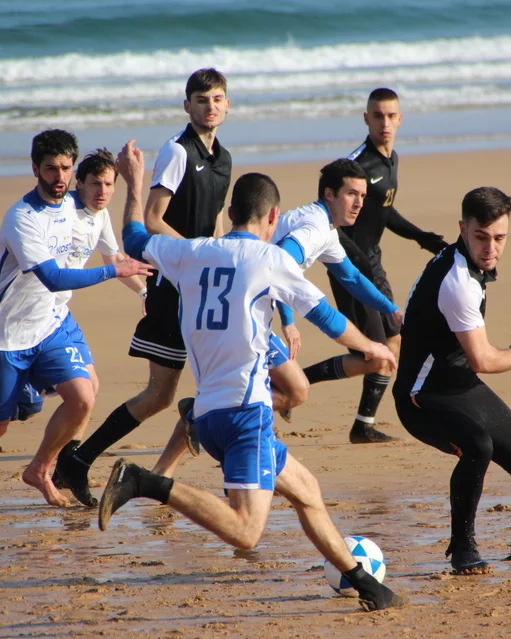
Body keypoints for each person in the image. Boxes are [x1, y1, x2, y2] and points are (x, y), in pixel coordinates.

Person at [98, 140, 403, 611]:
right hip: (245, 412)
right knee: (245, 531)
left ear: (230, 212)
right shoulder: (271, 259)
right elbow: (327, 317)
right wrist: (372, 346)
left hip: (211, 410)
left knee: (307, 492)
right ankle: (142, 481)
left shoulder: (192, 252)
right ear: (273, 216)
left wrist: (135, 187)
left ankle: (368, 586)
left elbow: (135, 239)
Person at [0, 131, 152, 526]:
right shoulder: (22, 217)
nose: (60, 176)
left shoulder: (77, 205)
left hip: (51, 324)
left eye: (66, 168)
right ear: (35, 168)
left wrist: (142, 288)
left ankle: (42, 468)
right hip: (5, 335)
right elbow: (53, 278)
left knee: (84, 396)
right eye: (51, 168)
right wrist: (114, 271)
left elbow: (101, 221)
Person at [149, 158, 405, 479]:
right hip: (246, 311)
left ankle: (170, 460)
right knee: (290, 391)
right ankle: (207, 422)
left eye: (363, 196)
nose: (359, 203)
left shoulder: (325, 229)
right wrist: (289, 320)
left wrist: (390, 308)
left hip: (244, 303)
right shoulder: (314, 228)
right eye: (352, 194)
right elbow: (281, 262)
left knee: (290, 391)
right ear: (329, 194)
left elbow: (351, 277)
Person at [53, 68, 233, 493]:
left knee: (215, 383)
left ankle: (167, 469)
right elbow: (153, 218)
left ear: (227, 105)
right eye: (201, 100)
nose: (210, 107)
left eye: (217, 99)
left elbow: (215, 221)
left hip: (204, 287)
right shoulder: (177, 151)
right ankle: (78, 460)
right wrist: (197, 255)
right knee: (160, 395)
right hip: (173, 287)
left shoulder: (224, 159)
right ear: (187, 105)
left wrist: (222, 259)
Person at [392, 186, 511, 573]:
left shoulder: (468, 263)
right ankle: (463, 549)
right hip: (421, 397)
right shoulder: (458, 281)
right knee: (478, 445)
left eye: (499, 238)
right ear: (463, 229)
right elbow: (482, 359)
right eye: (481, 237)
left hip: (458, 384)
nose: (491, 248)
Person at [303, 87, 447, 445]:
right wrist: (358, 264)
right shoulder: (358, 166)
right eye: (378, 116)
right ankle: (296, 380)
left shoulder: (390, 160)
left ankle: (363, 425)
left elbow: (384, 209)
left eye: (391, 116)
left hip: (373, 267)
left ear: (400, 119)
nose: (385, 123)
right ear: (366, 119)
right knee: (373, 356)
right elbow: (329, 218)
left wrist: (420, 236)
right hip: (351, 273)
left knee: (394, 343)